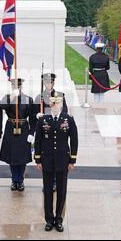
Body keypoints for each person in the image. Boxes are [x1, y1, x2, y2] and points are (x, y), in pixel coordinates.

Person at [34, 96, 78, 233]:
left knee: (61, 191)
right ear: (49, 105)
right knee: (47, 191)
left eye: (57, 103)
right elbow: (38, 140)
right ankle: (49, 219)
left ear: (61, 104)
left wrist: (72, 160)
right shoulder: (43, 120)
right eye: (52, 103)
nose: (55, 105)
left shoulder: (68, 119)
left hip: (62, 160)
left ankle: (59, 219)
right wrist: (38, 159)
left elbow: (74, 140)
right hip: (47, 160)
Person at [0, 78, 36, 192]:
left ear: (21, 87)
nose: (17, 89)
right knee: (12, 157)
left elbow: (33, 119)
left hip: (23, 128)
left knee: (22, 157)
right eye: (14, 87)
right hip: (11, 127)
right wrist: (12, 97)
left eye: (18, 87)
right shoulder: (7, 98)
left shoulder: (28, 99)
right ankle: (14, 180)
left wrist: (31, 132)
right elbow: (2, 106)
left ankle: (20, 180)